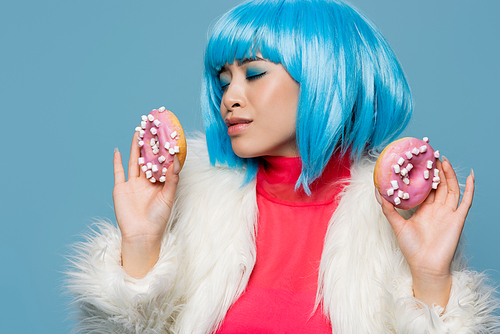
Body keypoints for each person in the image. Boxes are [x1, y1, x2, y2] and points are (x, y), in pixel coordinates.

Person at [66, 0, 500, 333]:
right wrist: (141, 246)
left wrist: (429, 278)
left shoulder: (395, 218)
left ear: (324, 77)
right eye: (223, 80)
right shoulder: (191, 200)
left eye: (253, 73)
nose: (229, 98)